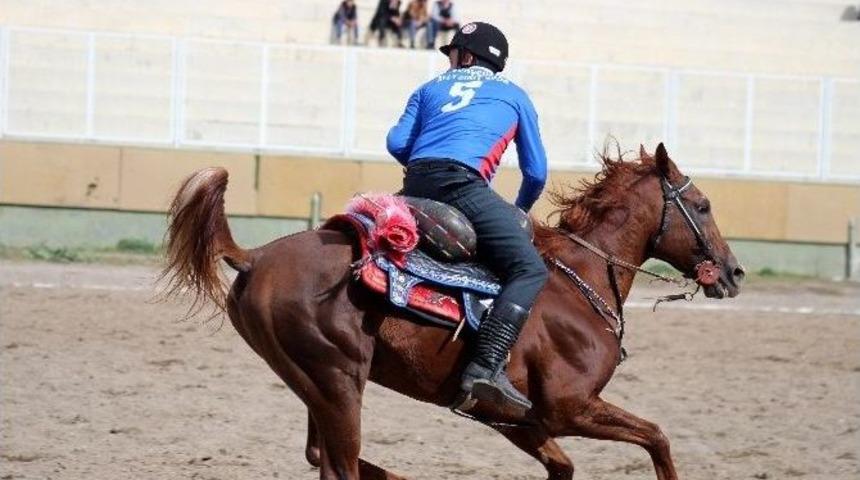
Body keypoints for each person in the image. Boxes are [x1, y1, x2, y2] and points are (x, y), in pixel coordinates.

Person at [387, 22, 548, 413]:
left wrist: (426, 166)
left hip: (415, 183)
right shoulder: (516, 96)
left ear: (468, 56)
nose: (450, 62)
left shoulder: (428, 88)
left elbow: (396, 142)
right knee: (530, 270)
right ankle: (485, 366)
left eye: (453, 54)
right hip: (463, 187)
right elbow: (536, 172)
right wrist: (519, 212)